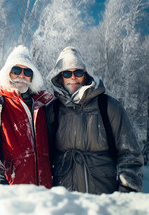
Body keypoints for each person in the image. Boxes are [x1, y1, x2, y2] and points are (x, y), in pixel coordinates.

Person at [46, 46, 143, 194]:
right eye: (67, 73)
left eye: (78, 72)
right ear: (60, 77)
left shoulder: (108, 106)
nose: (73, 77)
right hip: (65, 198)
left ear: (85, 75)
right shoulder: (52, 111)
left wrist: (126, 192)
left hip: (103, 196)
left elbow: (130, 155)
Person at [0, 45, 53, 187]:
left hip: (45, 194)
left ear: (32, 77)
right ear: (8, 73)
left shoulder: (44, 108)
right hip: (11, 191)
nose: (21, 75)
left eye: (27, 71)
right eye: (16, 70)